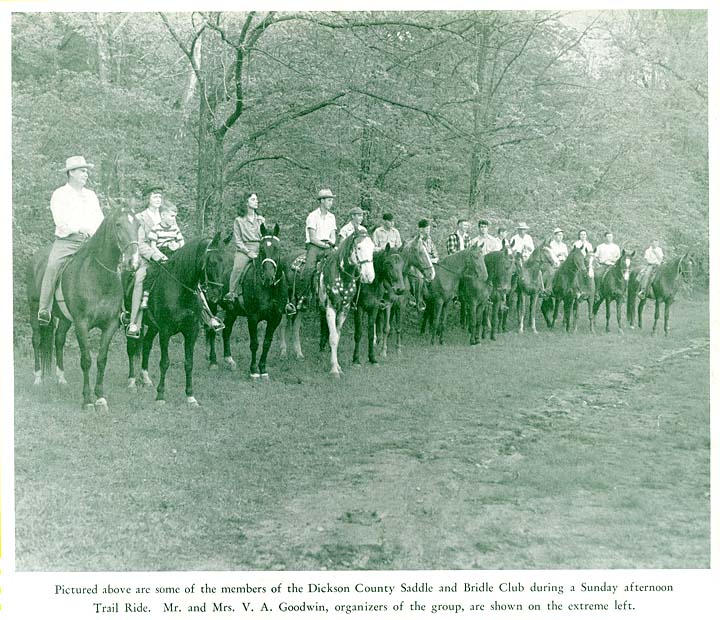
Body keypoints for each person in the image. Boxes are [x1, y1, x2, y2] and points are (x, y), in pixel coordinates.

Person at [37, 156, 104, 325]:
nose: (86, 174)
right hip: (67, 242)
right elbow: (60, 220)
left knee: (111, 265)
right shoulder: (60, 194)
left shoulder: (91, 195)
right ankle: (44, 309)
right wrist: (79, 228)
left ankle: (120, 310)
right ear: (71, 173)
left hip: (90, 242)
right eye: (82, 171)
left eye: (86, 171)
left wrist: (95, 234)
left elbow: (99, 219)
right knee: (52, 266)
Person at [140, 201, 185, 310]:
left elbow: (182, 241)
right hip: (160, 253)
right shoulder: (156, 229)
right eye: (172, 216)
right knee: (152, 272)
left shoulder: (175, 228)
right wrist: (160, 256)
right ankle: (146, 296)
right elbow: (153, 246)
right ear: (163, 215)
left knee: (186, 272)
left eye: (175, 216)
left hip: (174, 253)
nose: (174, 219)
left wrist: (177, 245)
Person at [224, 191, 266, 304]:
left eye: (256, 199)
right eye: (253, 199)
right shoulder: (238, 220)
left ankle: (283, 297)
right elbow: (238, 241)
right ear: (246, 203)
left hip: (259, 247)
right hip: (244, 249)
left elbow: (265, 236)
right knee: (237, 268)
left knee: (272, 264)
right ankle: (231, 293)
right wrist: (248, 253)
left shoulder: (261, 219)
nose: (256, 201)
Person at [409, 219, 438, 311]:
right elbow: (416, 254)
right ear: (420, 229)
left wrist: (435, 258)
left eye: (429, 229)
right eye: (426, 229)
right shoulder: (416, 240)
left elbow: (435, 252)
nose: (428, 231)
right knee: (419, 277)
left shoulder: (430, 240)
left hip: (429, 262)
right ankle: (418, 299)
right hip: (418, 264)